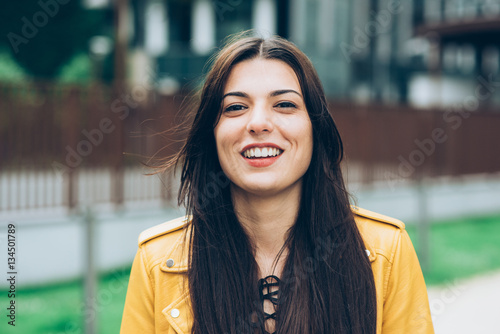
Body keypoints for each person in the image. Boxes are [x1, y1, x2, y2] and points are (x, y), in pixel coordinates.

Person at [120, 33, 434, 334]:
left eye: (284, 104)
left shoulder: (385, 253)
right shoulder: (157, 263)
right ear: (211, 134)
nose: (258, 123)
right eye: (236, 107)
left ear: (315, 128)